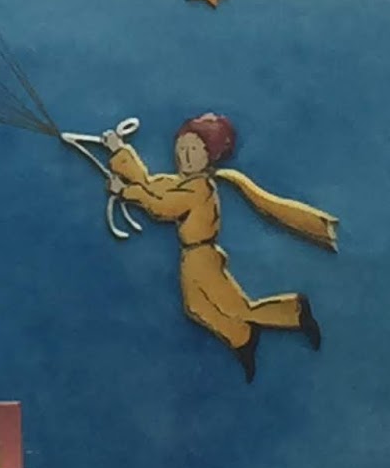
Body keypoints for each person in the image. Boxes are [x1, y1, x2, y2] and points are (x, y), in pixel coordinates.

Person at [105, 112, 337, 383]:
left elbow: (162, 207)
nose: (185, 155)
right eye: (181, 148)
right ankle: (242, 337)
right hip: (192, 257)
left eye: (194, 150)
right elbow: (149, 183)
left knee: (238, 308)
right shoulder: (181, 182)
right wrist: (119, 151)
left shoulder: (199, 188)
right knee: (196, 307)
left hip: (202, 256)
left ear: (210, 155)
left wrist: (125, 192)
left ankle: (295, 312)